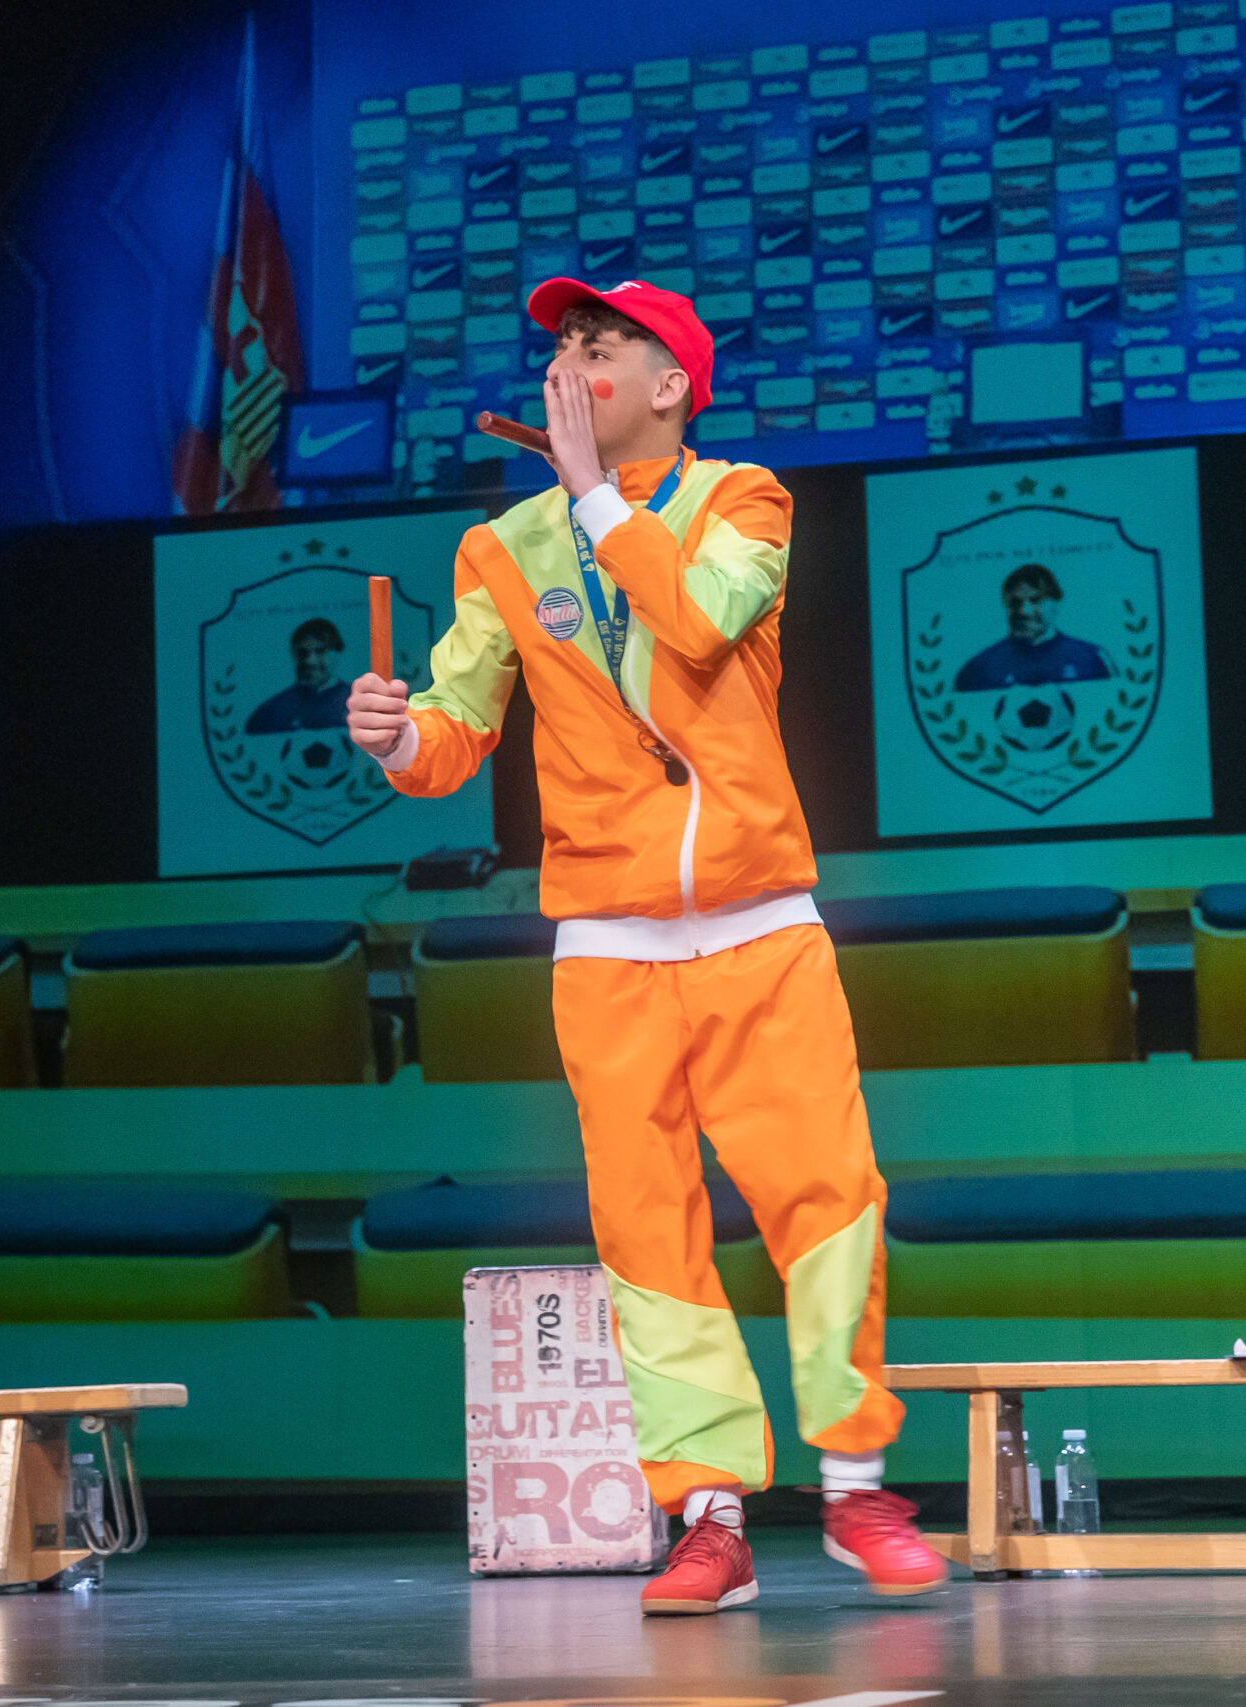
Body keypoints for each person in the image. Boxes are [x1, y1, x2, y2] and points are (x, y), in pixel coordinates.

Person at [348, 279, 948, 1613]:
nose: (569, 364)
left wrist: (595, 500)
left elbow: (702, 618)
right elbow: (454, 733)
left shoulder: (744, 501)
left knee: (826, 1197)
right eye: (561, 347)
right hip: (606, 945)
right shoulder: (502, 545)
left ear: (670, 384)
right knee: (646, 1229)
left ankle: (855, 1485)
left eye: (599, 345)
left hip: (758, 925)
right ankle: (708, 1515)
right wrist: (395, 736)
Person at [952, 562, 1113, 690]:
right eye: (1015, 602)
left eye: (1036, 600)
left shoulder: (1093, 659)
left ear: (1056, 602)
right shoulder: (978, 668)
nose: (1024, 611)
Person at [244, 617, 352, 733]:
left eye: (320, 651)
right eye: (302, 653)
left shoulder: (357, 704)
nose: (309, 661)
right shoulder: (269, 713)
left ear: (338, 653)